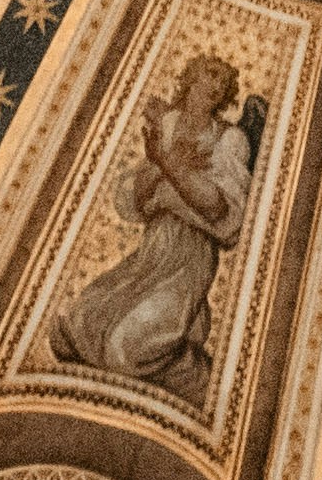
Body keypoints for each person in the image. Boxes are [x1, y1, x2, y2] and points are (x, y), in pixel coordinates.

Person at [49, 52, 256, 385]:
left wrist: (167, 166)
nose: (217, 84)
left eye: (225, 81)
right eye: (211, 73)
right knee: (76, 326)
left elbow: (218, 210)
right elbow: (134, 198)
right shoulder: (167, 124)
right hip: (152, 251)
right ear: (190, 77)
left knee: (124, 351)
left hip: (190, 257)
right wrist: (165, 167)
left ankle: (200, 375)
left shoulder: (229, 139)